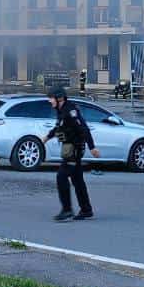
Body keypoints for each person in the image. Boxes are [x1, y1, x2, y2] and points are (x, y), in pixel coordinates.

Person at [45, 85, 100, 222]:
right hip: (70, 148)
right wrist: (47, 137)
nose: (49, 101)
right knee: (77, 180)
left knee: (61, 177)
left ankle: (67, 210)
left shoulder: (71, 111)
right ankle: (86, 209)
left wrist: (92, 147)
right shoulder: (61, 110)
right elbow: (59, 127)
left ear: (59, 98)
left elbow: (84, 129)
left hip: (74, 150)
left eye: (51, 98)